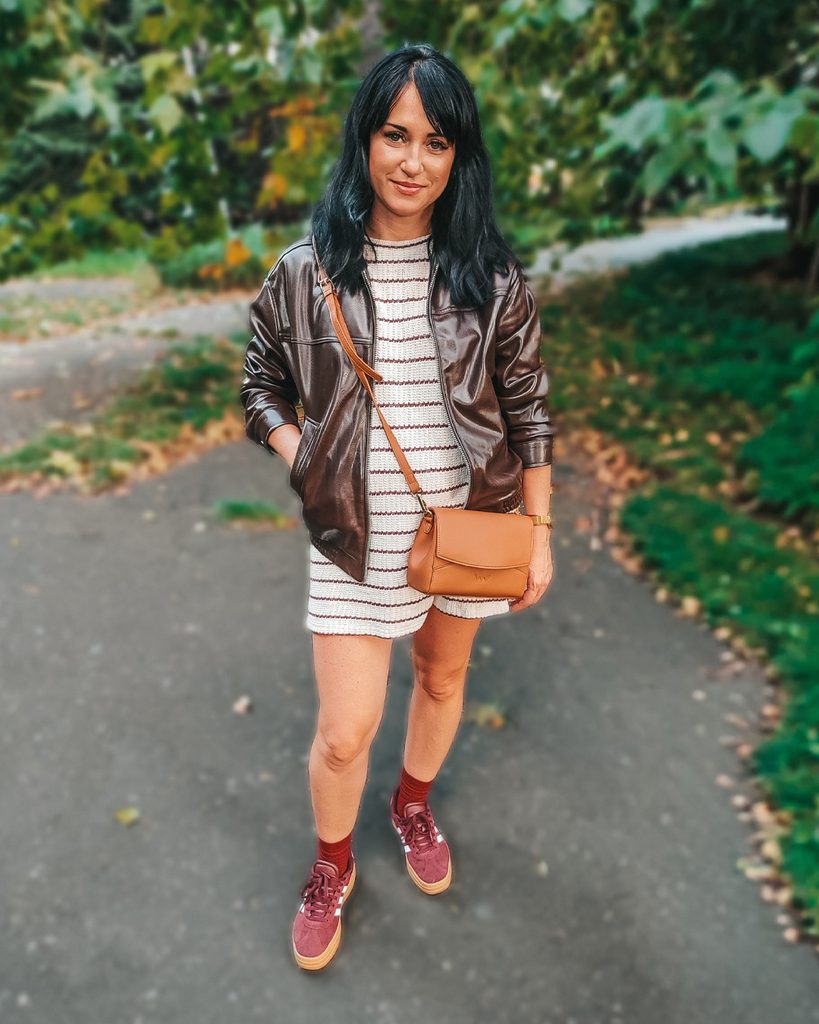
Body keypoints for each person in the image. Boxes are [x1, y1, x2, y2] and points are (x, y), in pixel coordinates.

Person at [240, 43, 556, 971]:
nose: (412, 161)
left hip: (469, 524)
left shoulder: (491, 278)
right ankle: (331, 863)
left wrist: (538, 533)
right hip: (353, 534)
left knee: (442, 681)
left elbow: (528, 408)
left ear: (459, 157)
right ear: (363, 139)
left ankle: (411, 803)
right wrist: (302, 455)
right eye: (394, 135)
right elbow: (260, 383)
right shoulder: (307, 271)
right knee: (344, 735)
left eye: (436, 142)